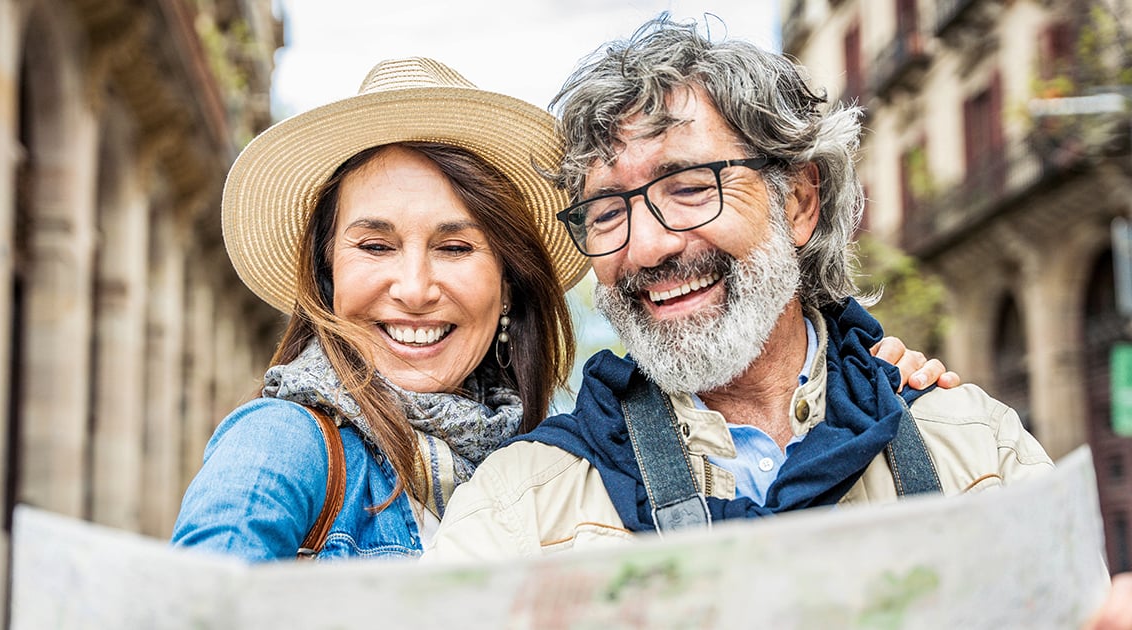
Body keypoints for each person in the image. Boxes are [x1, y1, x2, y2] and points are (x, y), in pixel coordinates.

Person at [172, 56, 951, 563]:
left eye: (455, 246)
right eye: (375, 246)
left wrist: (872, 386)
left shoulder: (540, 458)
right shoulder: (280, 443)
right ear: (327, 273)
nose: (413, 287)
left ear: (508, 282)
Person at [422, 16, 1057, 559]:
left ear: (799, 202)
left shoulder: (978, 450)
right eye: (608, 212)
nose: (647, 247)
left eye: (689, 187)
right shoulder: (518, 511)